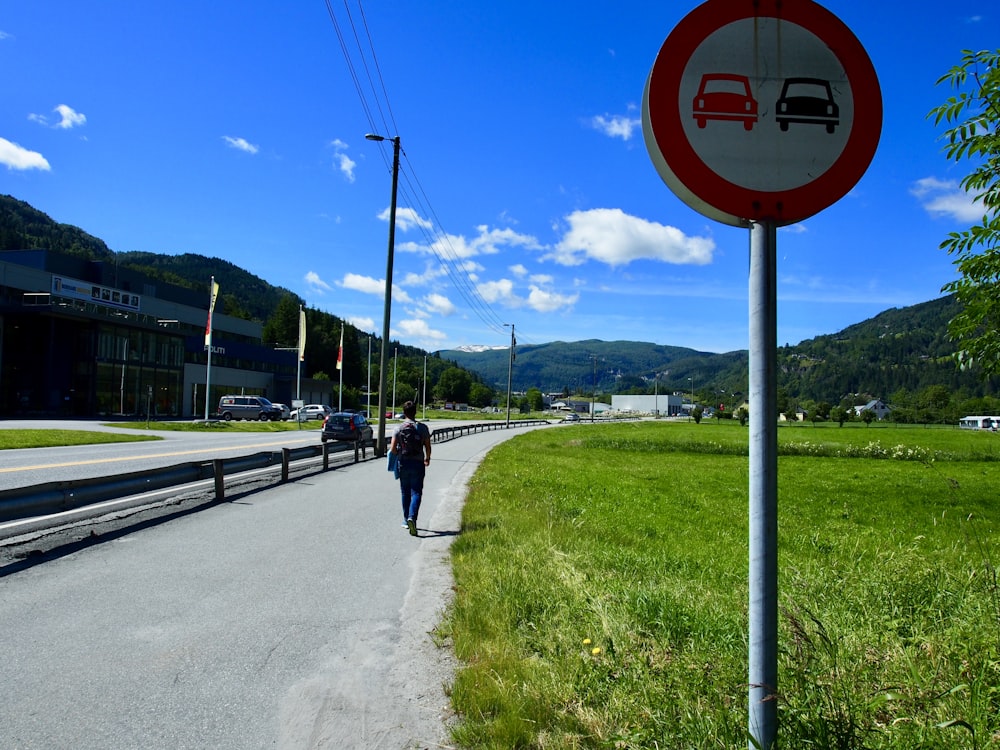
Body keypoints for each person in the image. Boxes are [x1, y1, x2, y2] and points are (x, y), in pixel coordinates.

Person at [389, 400, 431, 536]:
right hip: (418, 463)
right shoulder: (422, 428)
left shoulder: (398, 428)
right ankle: (412, 517)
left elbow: (393, 449)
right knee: (416, 492)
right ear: (415, 412)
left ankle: (406, 520)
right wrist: (427, 458)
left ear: (404, 412)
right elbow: (428, 446)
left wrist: (398, 456)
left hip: (403, 463)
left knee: (405, 492)